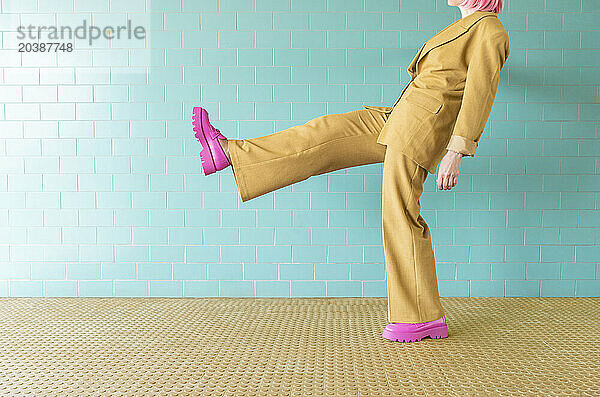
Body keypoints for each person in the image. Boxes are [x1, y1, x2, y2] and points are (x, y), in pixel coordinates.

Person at [192, 0, 510, 343]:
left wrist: (457, 150)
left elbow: (481, 91)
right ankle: (229, 153)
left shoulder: (490, 29)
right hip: (398, 117)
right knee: (325, 133)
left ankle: (420, 318)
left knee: (399, 213)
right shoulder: (463, 27)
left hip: (421, 128)